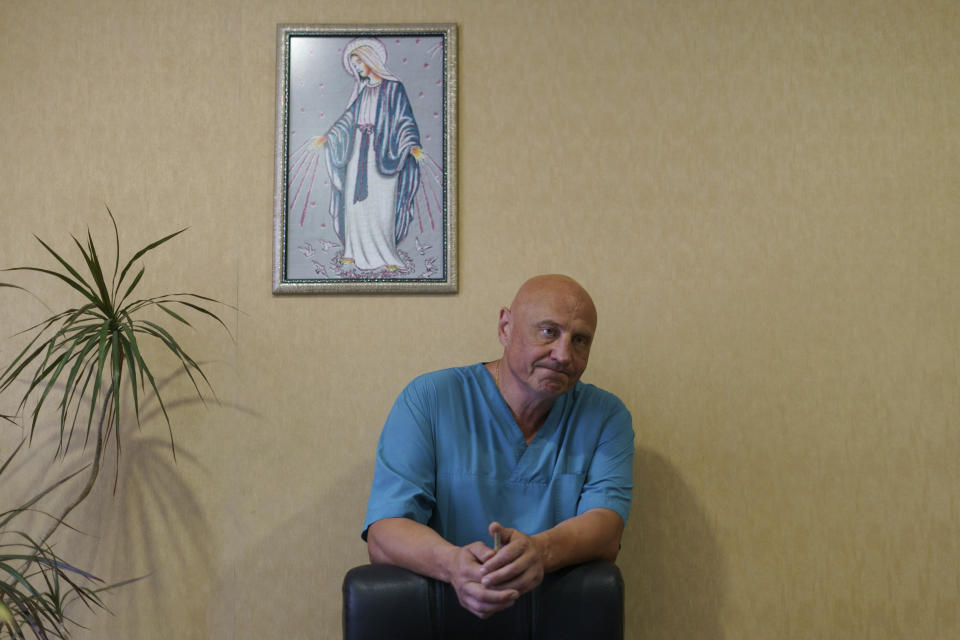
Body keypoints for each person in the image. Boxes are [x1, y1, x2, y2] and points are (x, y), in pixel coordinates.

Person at [362, 274, 634, 619]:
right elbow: (385, 532)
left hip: (555, 617)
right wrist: (453, 565)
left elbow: (607, 529)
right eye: (549, 332)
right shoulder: (430, 399)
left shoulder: (606, 416)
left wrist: (540, 551)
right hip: (442, 615)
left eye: (580, 340)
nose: (564, 355)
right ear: (505, 327)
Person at [312, 37, 423, 271]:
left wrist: (410, 143)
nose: (357, 69)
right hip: (358, 153)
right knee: (355, 204)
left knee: (382, 206)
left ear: (370, 61)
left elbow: (405, 119)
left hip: (385, 154)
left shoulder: (394, 88)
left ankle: (385, 254)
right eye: (354, 65)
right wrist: (329, 136)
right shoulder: (362, 92)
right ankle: (352, 252)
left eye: (359, 63)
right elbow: (348, 119)